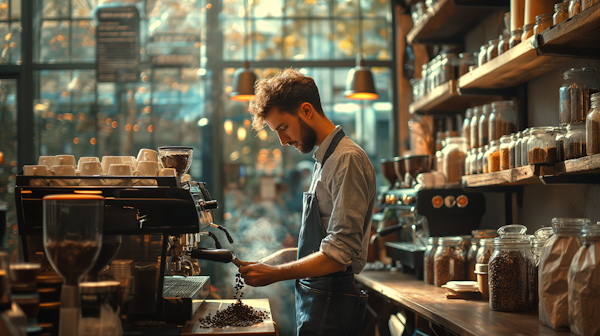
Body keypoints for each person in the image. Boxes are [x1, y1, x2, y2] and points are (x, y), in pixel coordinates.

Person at [239, 69, 377, 335]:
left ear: (306, 110)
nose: (282, 141)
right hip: (317, 299)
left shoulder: (346, 160)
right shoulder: (324, 161)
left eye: (283, 127)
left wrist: (275, 274)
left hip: (333, 305)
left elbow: (338, 255)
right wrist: (269, 263)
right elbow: (315, 247)